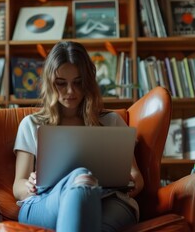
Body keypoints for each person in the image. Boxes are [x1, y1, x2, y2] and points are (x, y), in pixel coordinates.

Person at [12, 41, 143, 232]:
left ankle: (83, 186)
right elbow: (18, 186)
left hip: (107, 200)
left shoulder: (111, 122)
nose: (70, 91)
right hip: (47, 200)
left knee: (89, 210)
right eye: (61, 83)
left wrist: (130, 182)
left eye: (78, 82)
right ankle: (82, 184)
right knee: (81, 179)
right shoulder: (31, 125)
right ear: (49, 83)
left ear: (88, 82)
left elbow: (137, 176)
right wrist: (30, 185)